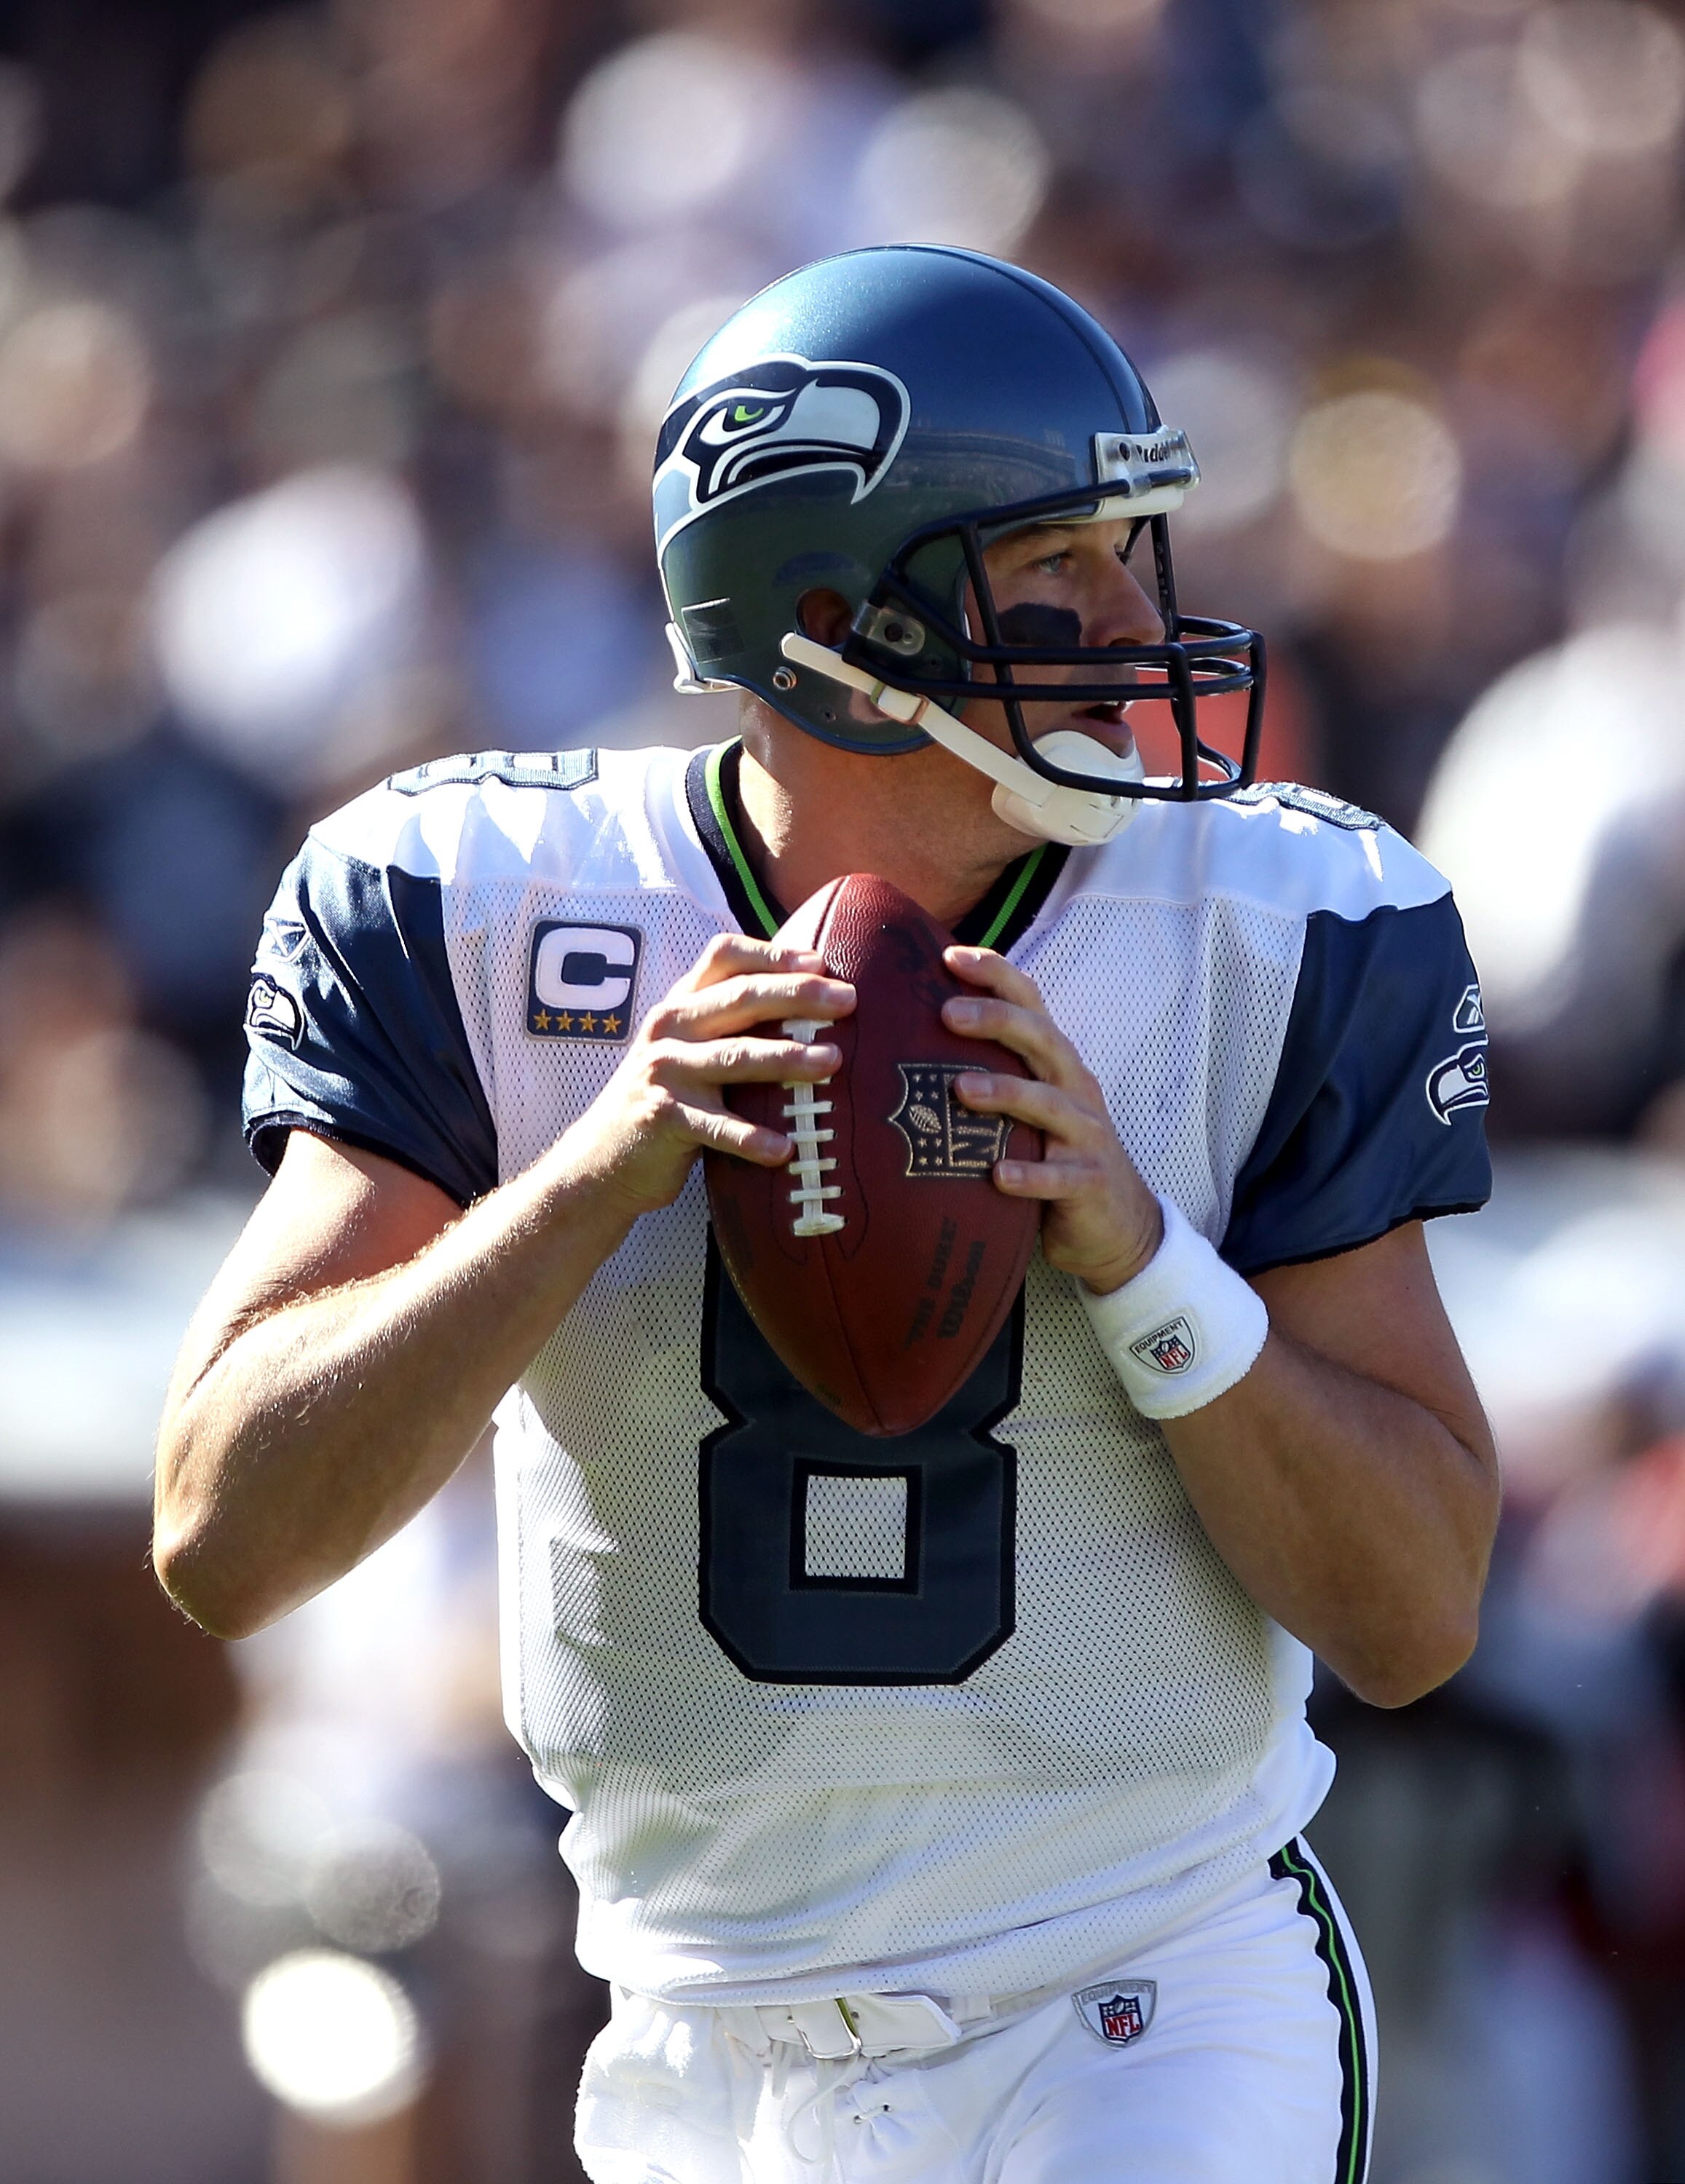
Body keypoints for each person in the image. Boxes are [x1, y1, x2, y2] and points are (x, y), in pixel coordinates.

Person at [154, 246, 1499, 2183]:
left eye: (1136, 552)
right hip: (700, 2040)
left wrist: (1141, 1259)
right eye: (1054, 571)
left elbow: (1411, 1615)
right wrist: (595, 1172)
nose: (1136, 623)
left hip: (1144, 1998)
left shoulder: (1280, 929)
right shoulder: (480, 908)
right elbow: (226, 1536)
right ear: (825, 620)